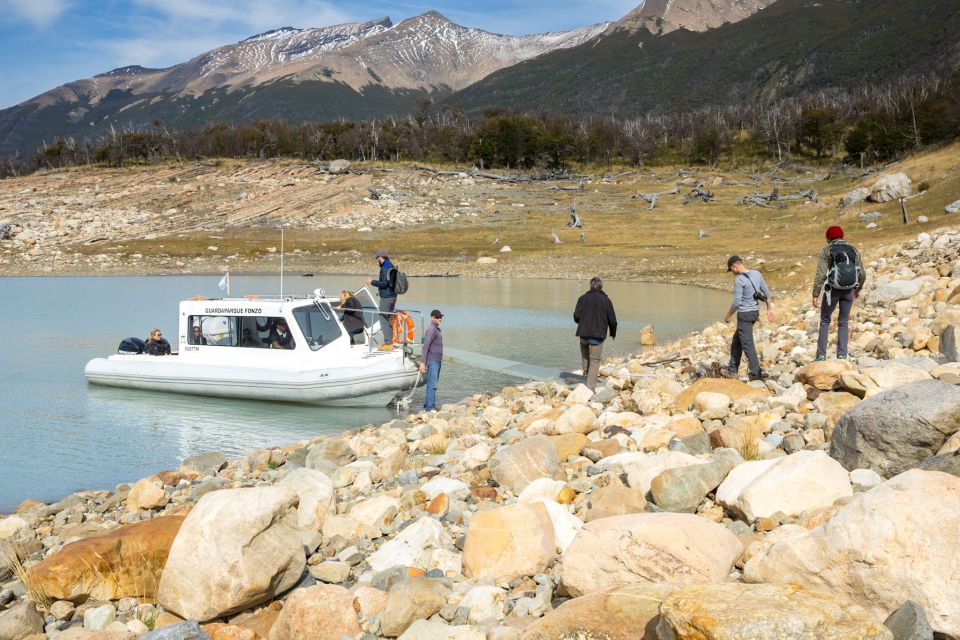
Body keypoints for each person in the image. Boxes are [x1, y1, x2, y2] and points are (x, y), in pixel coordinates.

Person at [812, 226, 866, 361]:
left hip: (833, 291)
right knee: (843, 322)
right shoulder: (853, 249)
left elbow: (821, 274)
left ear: (828, 238)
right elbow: (862, 273)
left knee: (825, 320)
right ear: (842, 236)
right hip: (849, 290)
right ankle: (842, 355)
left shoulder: (827, 250)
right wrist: (857, 289)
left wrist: (815, 294)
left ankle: (820, 355)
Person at [723, 256, 774, 381]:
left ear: (735, 266)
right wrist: (769, 309)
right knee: (737, 341)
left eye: (731, 269)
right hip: (754, 314)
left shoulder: (739, 280)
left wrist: (728, 315)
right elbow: (766, 293)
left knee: (747, 344)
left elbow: (736, 303)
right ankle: (732, 370)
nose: (732, 272)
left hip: (745, 315)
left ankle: (756, 373)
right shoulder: (757, 274)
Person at [573, 277, 617, 391]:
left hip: (583, 334)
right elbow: (612, 320)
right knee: (595, 361)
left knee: (585, 354)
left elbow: (577, 317)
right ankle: (590, 388)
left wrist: (582, 321)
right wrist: (613, 333)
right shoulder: (606, 300)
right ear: (601, 287)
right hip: (597, 336)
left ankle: (586, 374)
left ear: (590, 286)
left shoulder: (582, 298)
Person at [367, 250, 398, 345]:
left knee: (383, 318)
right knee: (388, 318)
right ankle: (390, 341)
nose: (377, 260)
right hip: (393, 296)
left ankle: (388, 342)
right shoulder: (391, 265)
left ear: (380, 257)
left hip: (386, 297)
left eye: (377, 258)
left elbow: (384, 284)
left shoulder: (385, 268)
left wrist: (372, 282)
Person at [419, 309, 444, 411]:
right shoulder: (432, 329)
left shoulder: (436, 329)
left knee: (433, 384)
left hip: (437, 361)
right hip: (432, 361)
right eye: (437, 317)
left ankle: (431, 405)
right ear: (432, 317)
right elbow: (425, 346)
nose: (440, 319)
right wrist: (422, 363)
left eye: (440, 317)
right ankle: (430, 408)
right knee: (432, 384)